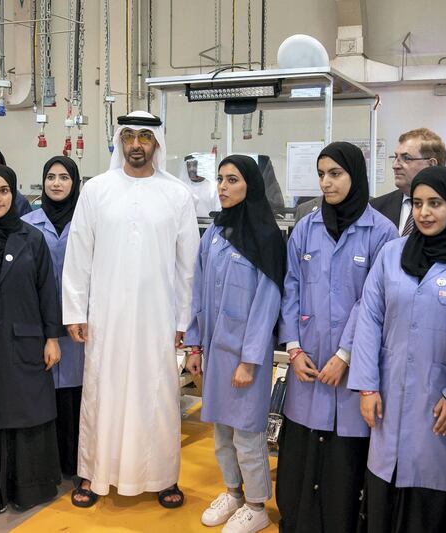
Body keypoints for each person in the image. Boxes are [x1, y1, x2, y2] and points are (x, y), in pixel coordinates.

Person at [62, 110, 199, 508]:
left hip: (157, 317)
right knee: (101, 390)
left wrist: (183, 319)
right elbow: (79, 255)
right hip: (105, 315)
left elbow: (187, 265)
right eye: (129, 137)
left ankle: (162, 476)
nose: (136, 145)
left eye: (144, 137)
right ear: (120, 141)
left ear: (157, 142)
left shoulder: (176, 194)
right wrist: (75, 311)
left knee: (156, 393)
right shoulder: (97, 190)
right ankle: (93, 473)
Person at [276, 142, 398, 533]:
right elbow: (290, 288)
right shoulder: (305, 228)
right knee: (303, 454)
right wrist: (293, 348)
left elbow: (373, 302)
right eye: (321, 174)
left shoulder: (381, 232)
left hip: (353, 366)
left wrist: (346, 354)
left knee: (344, 461)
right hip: (307, 362)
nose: (326, 183)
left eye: (335, 174)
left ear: (355, 175)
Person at [349, 166, 446, 533]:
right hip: (387, 399)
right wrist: (368, 386)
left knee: (430, 504)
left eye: (435, 203)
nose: (424, 212)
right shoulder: (392, 253)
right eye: (417, 203)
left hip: (440, 408)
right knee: (384, 499)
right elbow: (369, 320)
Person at [184, 155, 285, 533]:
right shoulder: (213, 234)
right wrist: (194, 346)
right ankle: (233, 493)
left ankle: (257, 505)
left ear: (251, 187)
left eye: (233, 180)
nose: (223, 187)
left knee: (247, 434)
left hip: (245, 358)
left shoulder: (266, 237)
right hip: (214, 353)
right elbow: (198, 291)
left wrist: (250, 359)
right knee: (221, 432)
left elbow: (267, 303)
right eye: (221, 180)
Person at [0, 164, 63, 513]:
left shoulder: (31, 238)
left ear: (14, 193)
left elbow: (47, 290)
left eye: (5, 190)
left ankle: (27, 488)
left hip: (26, 341)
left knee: (26, 412)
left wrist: (52, 337)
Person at [23, 155, 85, 478]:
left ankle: (76, 463)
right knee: (45, 392)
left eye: (64, 177)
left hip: (78, 325)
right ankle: (47, 465)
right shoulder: (28, 222)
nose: (57, 183)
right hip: (40, 322)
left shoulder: (86, 221)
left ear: (74, 183)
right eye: (51, 177)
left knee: (76, 393)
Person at [371, 128, 446, 237]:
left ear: (431, 164)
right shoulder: (376, 207)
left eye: (406, 158)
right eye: (395, 157)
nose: (395, 165)